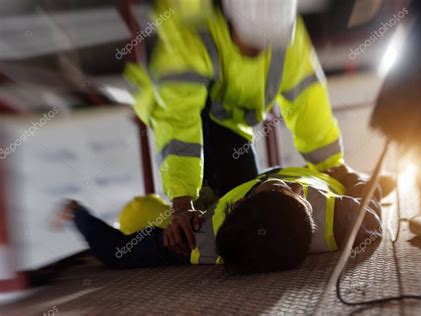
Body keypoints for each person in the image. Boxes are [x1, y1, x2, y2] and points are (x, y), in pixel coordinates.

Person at [125, 0, 392, 258]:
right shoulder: (188, 33)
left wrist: (334, 166)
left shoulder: (286, 32)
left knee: (250, 204)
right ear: (231, 21)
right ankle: (186, 205)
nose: (259, 51)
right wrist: (182, 204)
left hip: (228, 117)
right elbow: (178, 120)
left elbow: (307, 98)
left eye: (266, 44)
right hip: (173, 106)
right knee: (217, 218)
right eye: (251, 44)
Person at [57, 167, 382, 274]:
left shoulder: (202, 240)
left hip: (213, 202)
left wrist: (79, 217)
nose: (292, 186)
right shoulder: (340, 216)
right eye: (285, 189)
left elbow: (116, 251)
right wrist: (352, 179)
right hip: (322, 175)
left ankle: (73, 209)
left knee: (128, 249)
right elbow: (373, 207)